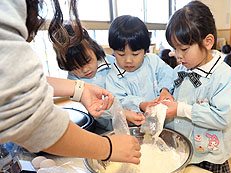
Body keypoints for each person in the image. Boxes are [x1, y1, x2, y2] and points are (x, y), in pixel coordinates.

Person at [0, 0, 141, 164]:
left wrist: (80, 89)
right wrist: (107, 148)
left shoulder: (113, 64)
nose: (84, 70)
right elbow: (31, 119)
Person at [162, 1, 231, 173]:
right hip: (181, 146)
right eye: (175, 48)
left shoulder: (222, 75)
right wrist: (165, 94)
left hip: (206, 153)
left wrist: (180, 108)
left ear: (208, 41)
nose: (177, 56)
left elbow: (221, 118)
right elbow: (171, 88)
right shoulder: (181, 68)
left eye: (184, 49)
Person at [51, 24, 145, 129]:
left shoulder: (113, 62)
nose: (85, 69)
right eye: (75, 67)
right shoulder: (73, 83)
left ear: (94, 49)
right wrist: (122, 113)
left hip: (136, 114)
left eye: (87, 61)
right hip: (106, 126)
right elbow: (96, 107)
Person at [105, 15, 174, 113]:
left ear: (145, 51)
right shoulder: (112, 78)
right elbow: (119, 101)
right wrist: (141, 104)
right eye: (121, 54)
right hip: (135, 123)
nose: (128, 60)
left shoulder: (153, 61)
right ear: (113, 51)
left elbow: (168, 74)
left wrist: (165, 90)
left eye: (135, 54)